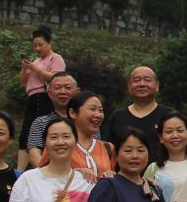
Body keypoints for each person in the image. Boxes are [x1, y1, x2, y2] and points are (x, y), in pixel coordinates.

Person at [102, 66, 174, 165]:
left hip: (162, 172)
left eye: (147, 80)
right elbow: (108, 151)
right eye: (137, 80)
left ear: (157, 85)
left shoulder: (169, 116)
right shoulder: (117, 117)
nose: (142, 84)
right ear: (129, 86)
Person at [17, 27, 65, 172]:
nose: (37, 48)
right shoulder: (36, 61)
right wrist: (25, 68)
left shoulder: (55, 58)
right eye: (35, 45)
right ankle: (19, 171)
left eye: (40, 45)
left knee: (41, 133)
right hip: (32, 99)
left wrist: (36, 69)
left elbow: (56, 78)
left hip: (46, 97)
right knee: (25, 135)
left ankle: (43, 167)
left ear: (49, 43)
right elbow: (23, 82)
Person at [25, 72, 79, 168]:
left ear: (77, 92)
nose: (63, 91)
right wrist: (51, 175)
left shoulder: (86, 122)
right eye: (57, 88)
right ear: (49, 93)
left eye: (68, 88)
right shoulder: (40, 122)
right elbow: (34, 155)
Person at [65, 90, 115, 176]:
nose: (98, 115)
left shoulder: (108, 148)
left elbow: (120, 178)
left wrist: (111, 175)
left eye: (100, 110)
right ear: (72, 113)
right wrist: (74, 173)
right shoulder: (60, 145)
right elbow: (44, 175)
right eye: (92, 109)